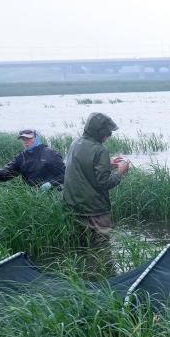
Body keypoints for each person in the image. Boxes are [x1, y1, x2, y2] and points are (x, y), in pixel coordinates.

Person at [62, 112, 130, 271]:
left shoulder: (75, 143)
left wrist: (107, 164)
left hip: (73, 208)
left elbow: (83, 168)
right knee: (102, 250)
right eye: (107, 132)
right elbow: (104, 182)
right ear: (100, 132)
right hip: (95, 211)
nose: (109, 135)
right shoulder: (100, 150)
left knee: (81, 251)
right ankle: (105, 278)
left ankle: (83, 279)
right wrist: (121, 171)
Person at [0, 129, 65, 188]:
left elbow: (63, 175)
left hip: (52, 194)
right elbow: (7, 173)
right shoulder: (21, 157)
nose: (26, 142)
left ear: (36, 138)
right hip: (30, 195)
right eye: (23, 139)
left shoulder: (51, 154)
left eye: (29, 138)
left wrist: (51, 184)